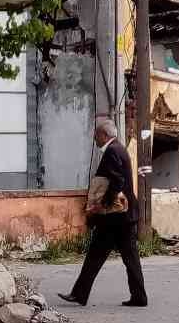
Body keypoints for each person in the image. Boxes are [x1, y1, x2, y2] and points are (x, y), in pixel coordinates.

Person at [58, 119, 148, 308]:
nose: (94, 138)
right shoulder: (119, 149)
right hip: (123, 217)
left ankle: (80, 294)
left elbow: (117, 181)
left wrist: (103, 205)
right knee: (125, 258)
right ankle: (138, 297)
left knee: (98, 256)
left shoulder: (112, 151)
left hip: (116, 218)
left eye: (96, 135)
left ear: (104, 135)